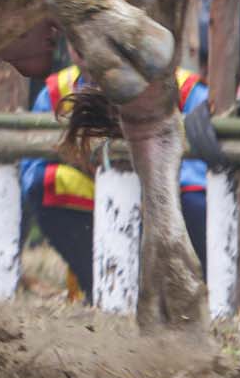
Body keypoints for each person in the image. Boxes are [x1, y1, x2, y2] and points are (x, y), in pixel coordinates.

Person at [19, 63, 210, 300]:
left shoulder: (188, 90)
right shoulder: (57, 90)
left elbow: (199, 175)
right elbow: (29, 171)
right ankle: (98, 285)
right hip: (96, 192)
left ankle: (194, 291)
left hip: (168, 196)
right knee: (45, 183)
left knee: (193, 199)